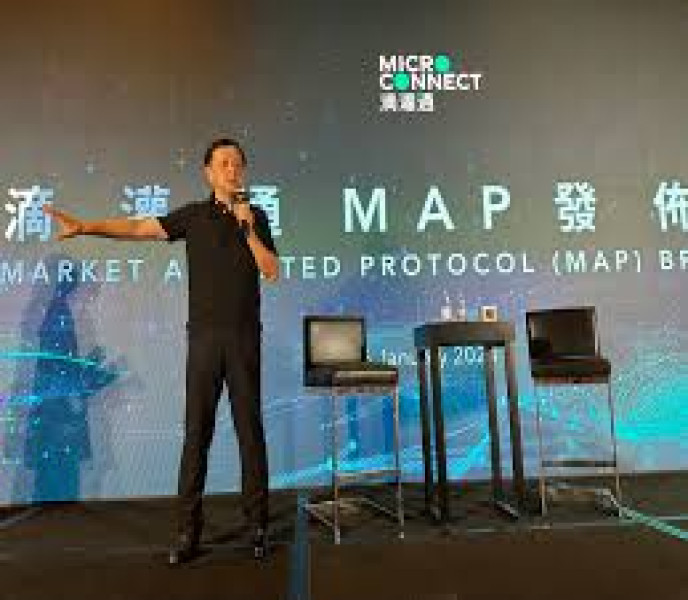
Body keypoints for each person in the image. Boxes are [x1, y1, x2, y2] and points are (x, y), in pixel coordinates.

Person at [44, 138, 280, 565]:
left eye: (237, 164)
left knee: (251, 432)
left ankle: (257, 526)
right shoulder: (193, 217)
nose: (232, 170)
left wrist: (247, 230)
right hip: (204, 341)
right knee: (196, 434)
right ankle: (188, 531)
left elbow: (271, 270)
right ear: (208, 172)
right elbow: (139, 229)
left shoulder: (256, 216)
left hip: (244, 339)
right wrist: (86, 227)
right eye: (224, 163)